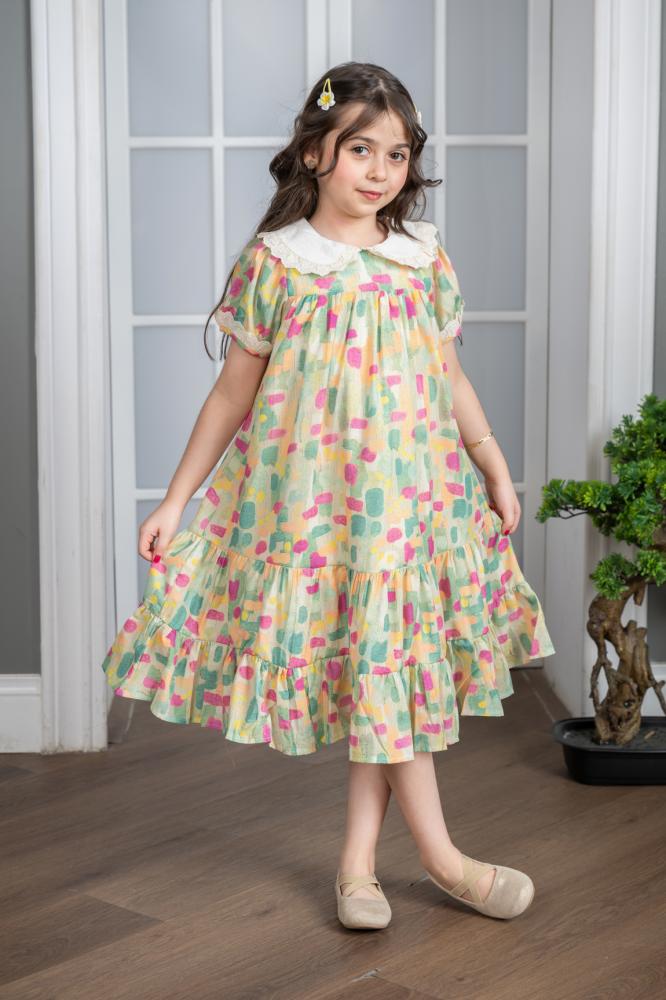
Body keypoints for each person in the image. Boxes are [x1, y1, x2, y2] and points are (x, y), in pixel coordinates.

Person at [101, 62, 555, 931]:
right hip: (315, 516)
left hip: (413, 510)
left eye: (397, 154)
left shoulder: (421, 258)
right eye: (360, 150)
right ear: (316, 153)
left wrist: (494, 465)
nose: (380, 171)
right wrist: (176, 501)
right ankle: (444, 862)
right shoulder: (278, 264)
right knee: (377, 678)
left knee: (384, 676)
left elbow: (450, 376)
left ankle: (358, 870)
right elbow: (232, 395)